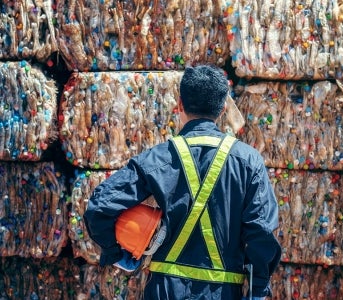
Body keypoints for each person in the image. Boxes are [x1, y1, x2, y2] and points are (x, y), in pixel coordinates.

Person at [83, 65, 281, 300]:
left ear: (179, 104)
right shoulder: (248, 161)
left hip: (165, 292)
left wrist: (116, 253)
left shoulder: (157, 158)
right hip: (222, 293)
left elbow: (99, 207)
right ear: (224, 108)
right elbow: (262, 231)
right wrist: (258, 289)